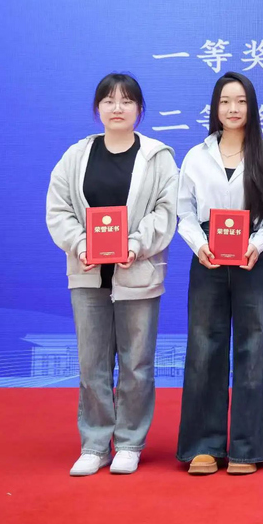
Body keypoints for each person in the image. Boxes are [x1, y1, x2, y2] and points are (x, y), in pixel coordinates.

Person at [46, 73, 179, 476]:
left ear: (139, 109)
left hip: (138, 273)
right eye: (108, 100)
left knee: (137, 364)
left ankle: (129, 443)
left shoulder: (157, 157)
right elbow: (59, 209)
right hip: (88, 274)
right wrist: (81, 244)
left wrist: (135, 244)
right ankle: (94, 444)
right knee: (92, 364)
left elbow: (166, 210)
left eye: (126, 101)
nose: (117, 108)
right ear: (97, 109)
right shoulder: (76, 156)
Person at [176, 72, 263, 475]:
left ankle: (246, 447)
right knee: (203, 349)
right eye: (225, 101)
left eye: (241, 101)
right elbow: (184, 210)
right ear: (215, 107)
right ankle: (203, 446)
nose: (233, 109)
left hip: (252, 257)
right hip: (208, 257)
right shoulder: (197, 156)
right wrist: (199, 244)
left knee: (253, 349)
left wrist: (257, 244)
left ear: (252, 107)